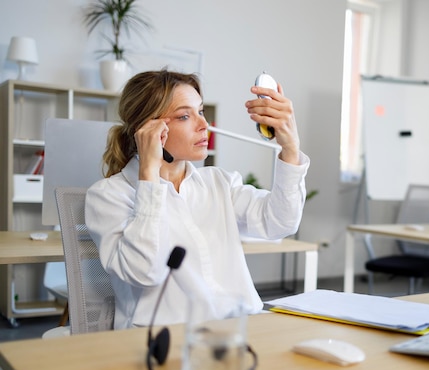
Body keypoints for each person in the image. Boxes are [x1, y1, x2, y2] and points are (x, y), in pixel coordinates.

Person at [85, 70, 310, 329]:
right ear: (147, 130)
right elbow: (145, 271)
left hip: (240, 331)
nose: (204, 125)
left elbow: (280, 223)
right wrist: (149, 174)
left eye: (200, 111)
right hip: (166, 340)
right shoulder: (108, 196)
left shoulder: (219, 184)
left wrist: (291, 149)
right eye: (184, 116)